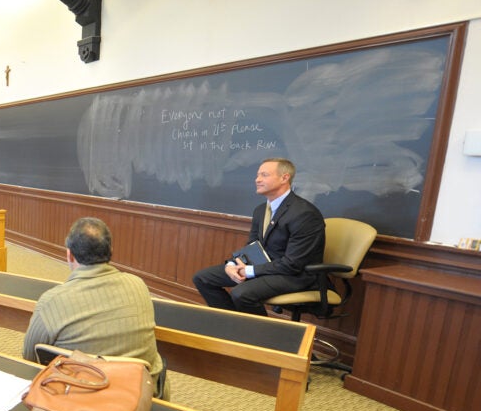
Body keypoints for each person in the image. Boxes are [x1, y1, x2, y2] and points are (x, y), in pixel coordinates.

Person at [22, 218, 168, 398]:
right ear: (111, 251)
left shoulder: (52, 302)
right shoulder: (139, 286)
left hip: (79, 401)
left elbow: (29, 358)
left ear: (70, 255)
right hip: (139, 397)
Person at [192, 158, 326, 316]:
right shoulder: (261, 210)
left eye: (264, 175)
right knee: (203, 278)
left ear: (285, 177)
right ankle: (232, 325)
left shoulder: (305, 214)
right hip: (267, 268)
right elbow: (252, 247)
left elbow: (293, 264)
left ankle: (261, 337)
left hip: (295, 275)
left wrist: (249, 271)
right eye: (257, 175)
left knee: (242, 293)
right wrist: (232, 264)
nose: (257, 179)